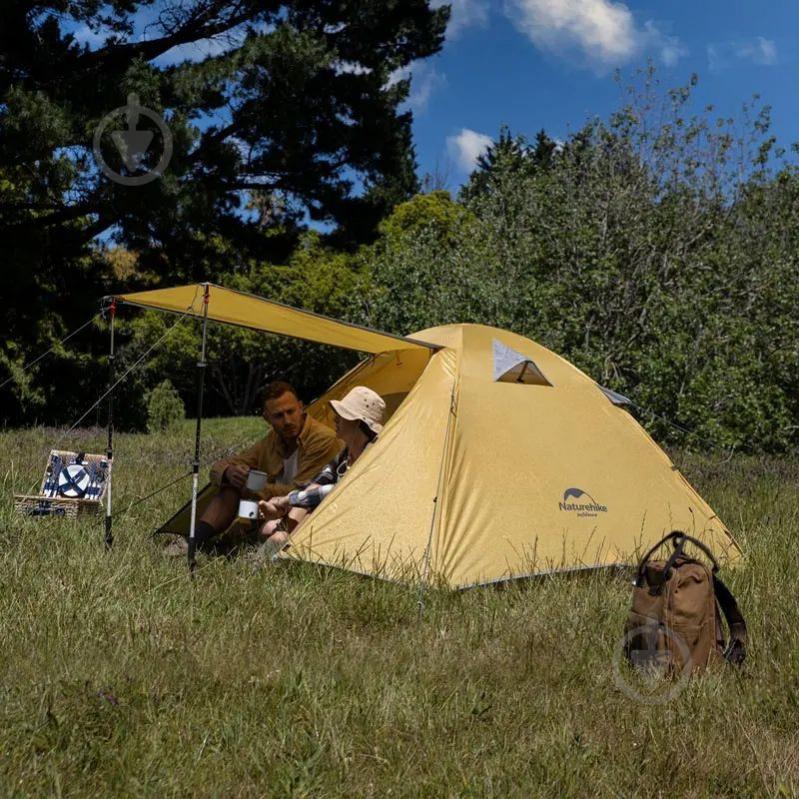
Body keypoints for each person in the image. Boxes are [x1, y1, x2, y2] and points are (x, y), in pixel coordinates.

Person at [178, 381, 342, 553]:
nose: (287, 421)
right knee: (230, 487)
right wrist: (229, 472)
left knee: (264, 520)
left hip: (302, 512)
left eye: (291, 412)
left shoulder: (322, 439)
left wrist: (252, 486)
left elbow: (301, 492)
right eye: (278, 416)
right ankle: (197, 541)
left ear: (301, 408)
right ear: (267, 418)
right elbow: (221, 466)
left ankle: (234, 545)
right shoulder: (273, 440)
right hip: (265, 511)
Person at [257, 385, 386, 553]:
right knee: (270, 526)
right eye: (278, 415)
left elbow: (335, 490)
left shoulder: (367, 455)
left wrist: (283, 499)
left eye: (342, 415)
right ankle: (281, 537)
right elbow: (320, 481)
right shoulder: (346, 452)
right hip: (319, 507)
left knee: (280, 530)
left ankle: (279, 544)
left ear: (358, 423)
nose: (335, 420)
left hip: (349, 519)